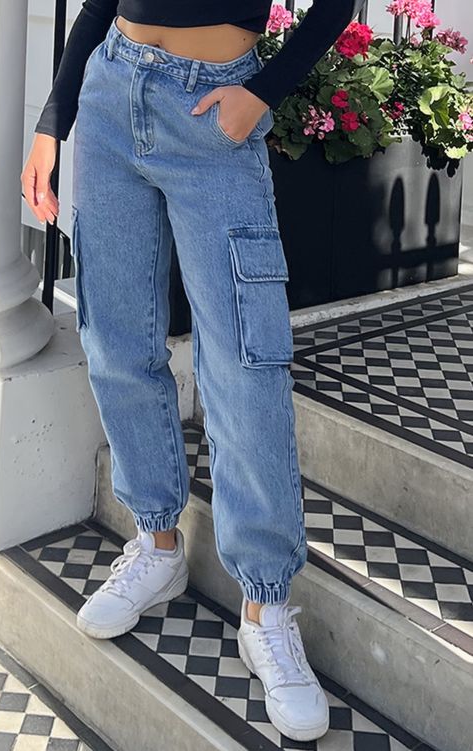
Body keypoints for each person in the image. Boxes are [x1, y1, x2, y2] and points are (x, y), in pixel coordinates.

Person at [22, 1, 364, 741]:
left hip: (215, 111)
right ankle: (156, 542)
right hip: (113, 97)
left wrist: (263, 93)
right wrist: (54, 119)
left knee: (244, 363)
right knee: (116, 341)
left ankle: (266, 606)